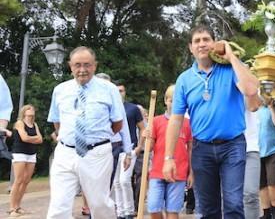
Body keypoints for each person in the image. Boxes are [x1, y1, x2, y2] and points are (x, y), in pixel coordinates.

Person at [163, 25, 259, 218]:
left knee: (233, 204)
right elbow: (175, 120)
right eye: (197, 41)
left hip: (233, 145)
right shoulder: (184, 80)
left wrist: (232, 57)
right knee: (207, 208)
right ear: (191, 47)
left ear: (214, 43)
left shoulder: (231, 69)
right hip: (202, 149)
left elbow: (250, 90)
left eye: (206, 39)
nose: (202, 44)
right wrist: (169, 158)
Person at [46, 46, 125, 219]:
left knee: (99, 204)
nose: (82, 70)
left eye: (87, 65)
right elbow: (56, 122)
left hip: (96, 154)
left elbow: (118, 123)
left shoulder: (109, 89)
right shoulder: (60, 90)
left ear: (95, 66)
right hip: (65, 153)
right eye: (77, 65)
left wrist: (95, 139)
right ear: (70, 66)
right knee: (58, 206)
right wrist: (70, 138)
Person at [146, 85, 193, 219]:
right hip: (157, 172)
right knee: (154, 208)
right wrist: (146, 137)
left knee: (173, 211)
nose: (174, 104)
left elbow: (191, 149)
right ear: (166, 100)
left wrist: (192, 173)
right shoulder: (156, 121)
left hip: (179, 173)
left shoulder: (188, 123)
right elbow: (149, 148)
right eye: (171, 100)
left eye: (178, 101)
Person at [113, 81, 145, 219]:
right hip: (114, 149)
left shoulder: (133, 109)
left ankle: (129, 211)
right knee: (116, 182)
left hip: (130, 148)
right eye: (117, 90)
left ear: (125, 92)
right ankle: (120, 211)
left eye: (122, 90)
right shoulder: (110, 108)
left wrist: (139, 147)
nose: (120, 93)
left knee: (125, 180)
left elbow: (143, 128)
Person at [8, 105, 42, 217]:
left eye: (32, 109)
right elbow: (24, 138)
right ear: (24, 111)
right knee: (18, 180)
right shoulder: (19, 123)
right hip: (20, 153)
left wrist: (31, 139)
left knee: (26, 180)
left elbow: (40, 139)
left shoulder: (35, 124)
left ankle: (18, 206)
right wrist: (34, 139)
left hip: (31, 154)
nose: (31, 110)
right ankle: (12, 208)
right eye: (28, 108)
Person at [258, 95, 275, 219]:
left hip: (273, 150)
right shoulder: (251, 110)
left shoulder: (273, 109)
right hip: (256, 151)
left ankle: (274, 209)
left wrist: (271, 108)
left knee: (273, 181)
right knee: (261, 184)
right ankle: (266, 212)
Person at [244, 97, 262, 219]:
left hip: (250, 147)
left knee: (250, 194)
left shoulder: (248, 82)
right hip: (224, 146)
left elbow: (254, 105)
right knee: (227, 197)